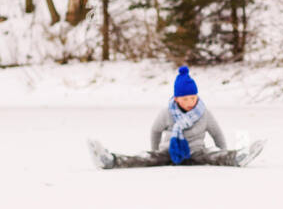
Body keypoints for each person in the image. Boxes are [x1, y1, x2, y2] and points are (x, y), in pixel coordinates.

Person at [87, 66, 264, 169]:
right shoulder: (168, 112)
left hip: (196, 152)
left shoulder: (203, 112)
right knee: (145, 159)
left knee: (213, 156)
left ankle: (236, 158)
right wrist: (155, 149)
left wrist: (224, 151)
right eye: (185, 99)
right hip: (169, 152)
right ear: (177, 98)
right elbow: (155, 130)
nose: (190, 102)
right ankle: (111, 161)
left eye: (193, 98)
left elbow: (216, 133)